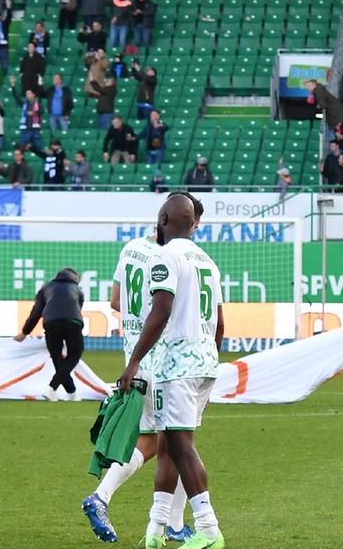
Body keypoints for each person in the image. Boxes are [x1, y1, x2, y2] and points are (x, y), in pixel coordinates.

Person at [83, 194, 208, 544]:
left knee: (165, 443)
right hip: (166, 359)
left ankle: (171, 522)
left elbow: (114, 302)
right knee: (177, 444)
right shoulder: (174, 258)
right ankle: (105, 497)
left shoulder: (132, 248)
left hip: (133, 354)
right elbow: (169, 310)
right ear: (186, 224)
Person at [117, 193, 226, 549]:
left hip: (177, 364)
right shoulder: (207, 260)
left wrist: (134, 361)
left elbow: (160, 311)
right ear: (192, 222)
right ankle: (156, 529)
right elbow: (220, 323)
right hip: (204, 359)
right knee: (167, 444)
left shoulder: (165, 255)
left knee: (179, 446)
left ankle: (209, 531)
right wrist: (208, 362)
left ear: (163, 219)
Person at [14, 267, 86, 401]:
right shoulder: (78, 290)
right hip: (73, 322)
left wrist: (25, 332)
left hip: (51, 323)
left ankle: (70, 393)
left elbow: (36, 313)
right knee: (75, 354)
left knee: (57, 358)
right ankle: (55, 389)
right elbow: (78, 308)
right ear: (76, 279)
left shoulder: (46, 288)